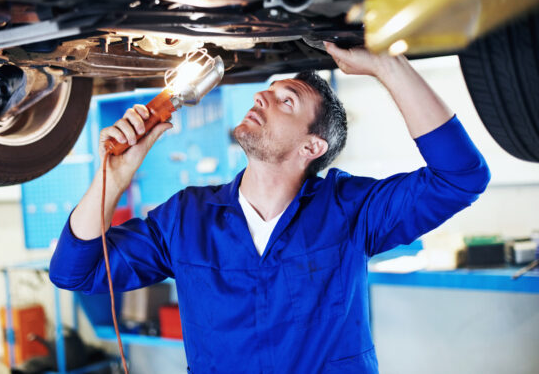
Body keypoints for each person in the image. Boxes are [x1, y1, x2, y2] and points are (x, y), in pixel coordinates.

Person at [49, 42, 490, 373]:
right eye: (267, 92)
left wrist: (388, 67)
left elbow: (460, 177)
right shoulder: (187, 218)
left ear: (311, 146)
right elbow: (76, 272)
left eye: (286, 101)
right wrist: (115, 179)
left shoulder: (351, 210)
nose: (261, 97)